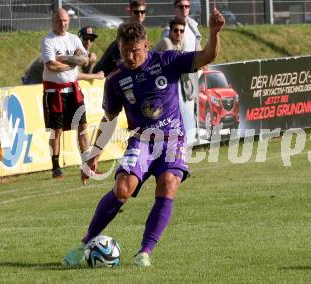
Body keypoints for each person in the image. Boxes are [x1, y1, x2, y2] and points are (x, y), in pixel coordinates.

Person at [62, 7, 225, 268]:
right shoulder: (116, 80)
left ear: (146, 45)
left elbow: (207, 56)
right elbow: (109, 118)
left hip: (173, 140)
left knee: (168, 183)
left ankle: (145, 251)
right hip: (142, 140)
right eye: (125, 50)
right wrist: (94, 155)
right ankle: (85, 243)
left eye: (135, 50)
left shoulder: (168, 61)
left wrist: (215, 33)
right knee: (123, 188)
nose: (130, 55)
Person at [41, 8, 90, 179]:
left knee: (83, 126)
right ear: (53, 21)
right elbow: (51, 66)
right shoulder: (48, 41)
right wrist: (73, 63)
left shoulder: (74, 39)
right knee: (57, 130)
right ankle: (55, 166)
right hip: (55, 91)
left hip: (73, 90)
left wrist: (65, 59)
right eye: (59, 21)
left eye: (65, 21)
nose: (62, 24)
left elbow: (86, 59)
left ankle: (87, 163)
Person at [161, 0, 201, 146]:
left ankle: (189, 141)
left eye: (187, 6)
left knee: (190, 108)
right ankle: (176, 143)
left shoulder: (192, 26)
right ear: (175, 8)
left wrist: (203, 61)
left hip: (190, 75)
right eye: (181, 6)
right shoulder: (167, 31)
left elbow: (197, 46)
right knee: (176, 110)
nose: (184, 9)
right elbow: (163, 57)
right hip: (173, 78)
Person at [22, 26, 104, 85]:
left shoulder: (82, 51)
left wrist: (91, 63)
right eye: (86, 38)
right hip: (33, 77)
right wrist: (96, 76)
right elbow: (75, 75)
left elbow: (85, 73)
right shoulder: (72, 47)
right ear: (79, 39)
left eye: (92, 39)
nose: (89, 42)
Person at [92, 0, 147, 77]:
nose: (140, 15)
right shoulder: (124, 28)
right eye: (136, 12)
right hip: (103, 75)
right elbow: (122, 67)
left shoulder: (142, 30)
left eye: (143, 12)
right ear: (130, 12)